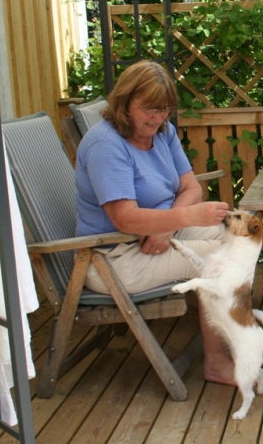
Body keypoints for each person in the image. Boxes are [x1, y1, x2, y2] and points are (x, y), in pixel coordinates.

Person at [75, 59, 238, 386]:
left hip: (156, 235)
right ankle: (217, 362)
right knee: (217, 263)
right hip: (113, 258)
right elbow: (124, 217)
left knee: (237, 240)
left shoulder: (163, 133)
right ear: (124, 102)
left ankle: (233, 341)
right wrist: (186, 216)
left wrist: (166, 228)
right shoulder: (106, 145)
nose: (158, 118)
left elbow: (191, 187)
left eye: (164, 109)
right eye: (149, 109)